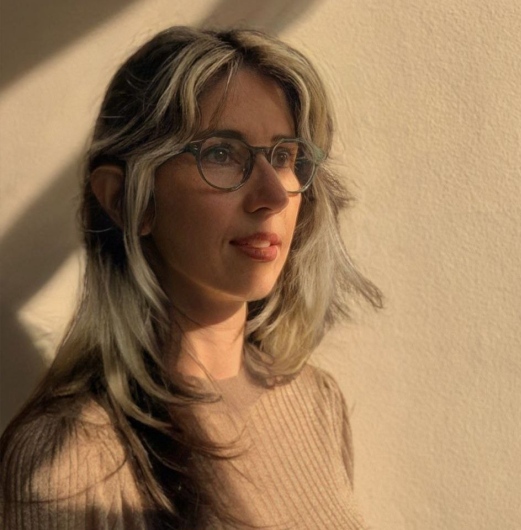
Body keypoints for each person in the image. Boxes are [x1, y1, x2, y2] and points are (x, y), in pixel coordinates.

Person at [0, 26, 382, 529]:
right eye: (221, 153)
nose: (272, 195)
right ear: (126, 201)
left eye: (283, 156)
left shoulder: (317, 402)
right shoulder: (67, 461)